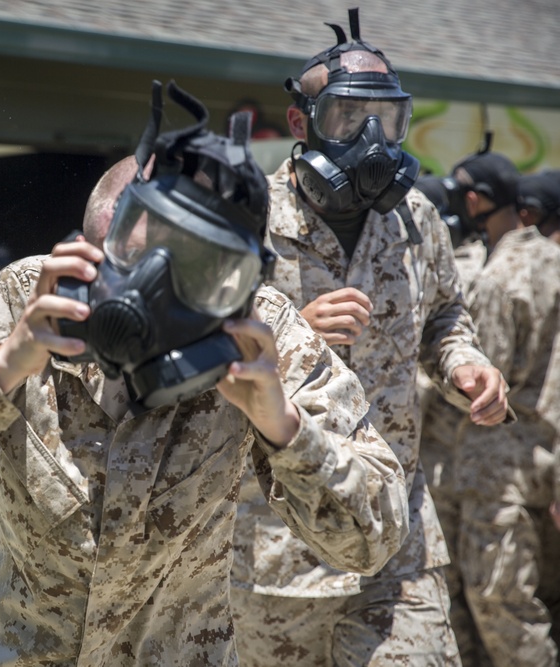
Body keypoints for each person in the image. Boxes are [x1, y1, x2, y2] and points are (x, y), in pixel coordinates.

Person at [0, 88, 409, 666]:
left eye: (179, 277)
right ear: (87, 250)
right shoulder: (20, 304)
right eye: (121, 266)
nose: (143, 302)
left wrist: (285, 427)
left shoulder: (256, 329)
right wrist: (3, 367)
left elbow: (372, 539)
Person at [228, 10, 510, 666]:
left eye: (387, 119)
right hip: (276, 546)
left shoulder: (415, 219)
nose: (371, 139)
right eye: (348, 119)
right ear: (302, 124)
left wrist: (465, 364)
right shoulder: (244, 223)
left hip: (396, 538)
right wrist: (294, 329)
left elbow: (444, 317)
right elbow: (198, 344)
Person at [447, 154, 560, 665]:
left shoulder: (498, 276)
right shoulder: (552, 259)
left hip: (496, 468)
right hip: (540, 460)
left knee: (498, 609)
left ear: (474, 200)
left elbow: (485, 374)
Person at [415, 170, 491, 665]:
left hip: (451, 459)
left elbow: (450, 338)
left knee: (466, 590)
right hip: (455, 459)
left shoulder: (472, 274)